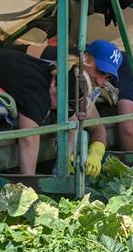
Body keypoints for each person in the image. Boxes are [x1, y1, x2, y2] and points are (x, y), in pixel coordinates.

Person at [0, 46, 99, 176]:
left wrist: (63, 164)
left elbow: (73, 120)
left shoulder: (59, 75)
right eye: (59, 102)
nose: (59, 108)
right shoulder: (37, 94)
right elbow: (29, 138)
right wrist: (30, 182)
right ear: (54, 85)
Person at [25, 39, 120, 168]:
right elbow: (29, 135)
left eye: (107, 77)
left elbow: (97, 127)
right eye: (100, 72)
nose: (101, 82)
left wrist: (96, 153)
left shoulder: (86, 85)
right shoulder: (67, 72)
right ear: (85, 57)